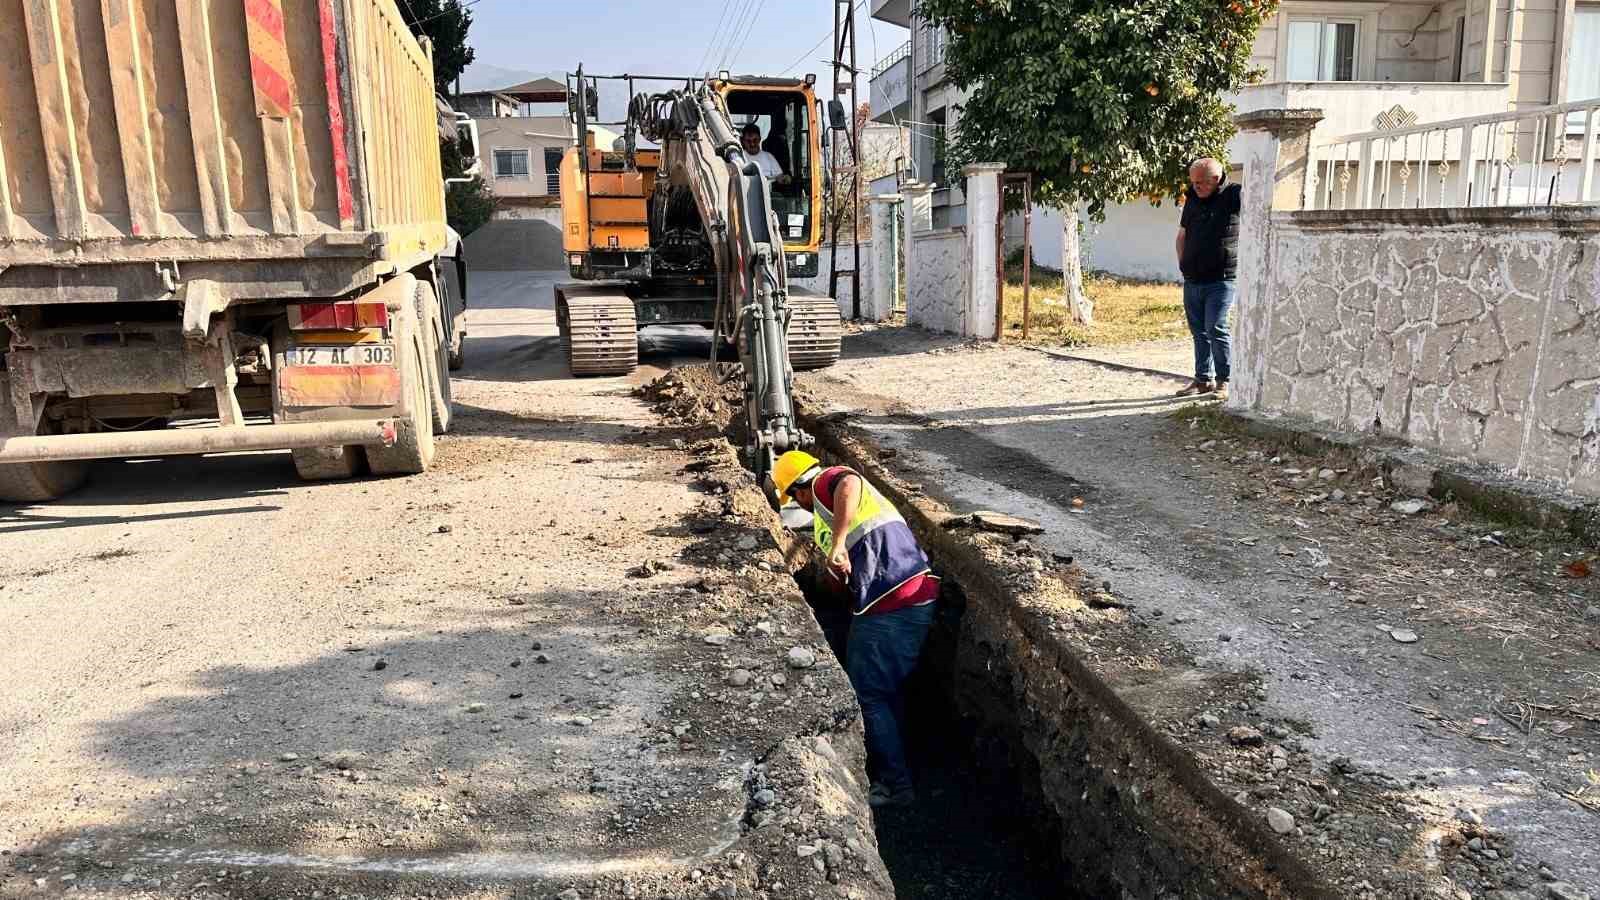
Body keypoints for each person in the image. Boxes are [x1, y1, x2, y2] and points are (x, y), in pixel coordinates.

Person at [771, 450, 938, 808]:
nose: (800, 505)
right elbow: (840, 584)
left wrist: (838, 542)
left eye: (794, 499)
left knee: (868, 695)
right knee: (886, 691)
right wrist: (836, 573)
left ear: (800, 489)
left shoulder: (826, 482)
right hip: (901, 599)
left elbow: (850, 482)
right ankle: (899, 767)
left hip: (893, 600)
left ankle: (896, 785)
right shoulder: (823, 519)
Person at [1175, 157, 1242, 401]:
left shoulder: (1234, 195)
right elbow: (1182, 234)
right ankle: (1203, 379)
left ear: (1216, 179)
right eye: (1193, 182)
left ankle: (1226, 380)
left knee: (1216, 327)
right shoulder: (1192, 198)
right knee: (1198, 331)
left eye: (1202, 182)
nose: (1197, 187)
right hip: (1193, 278)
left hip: (1221, 279)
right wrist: (1183, 263)